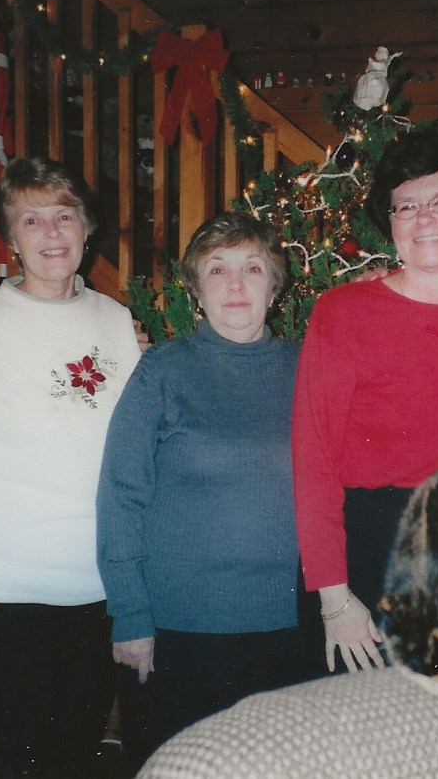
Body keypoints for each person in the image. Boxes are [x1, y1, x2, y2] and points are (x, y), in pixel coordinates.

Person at [0, 156, 142, 778]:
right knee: (15, 762)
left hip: (98, 592)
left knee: (75, 757)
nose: (51, 234)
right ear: (11, 238)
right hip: (4, 599)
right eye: (32, 220)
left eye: (63, 217)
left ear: (86, 228)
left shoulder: (116, 322)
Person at [292, 126, 438, 674]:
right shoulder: (343, 312)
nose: (424, 218)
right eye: (406, 206)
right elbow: (313, 459)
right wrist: (335, 601)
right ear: (390, 225)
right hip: (371, 552)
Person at [96, 212, 303, 773]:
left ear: (274, 286)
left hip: (287, 630)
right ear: (196, 289)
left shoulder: (307, 369)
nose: (236, 285)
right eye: (218, 269)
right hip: (178, 633)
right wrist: (130, 618)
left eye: (253, 268)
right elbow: (120, 497)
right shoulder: (161, 371)